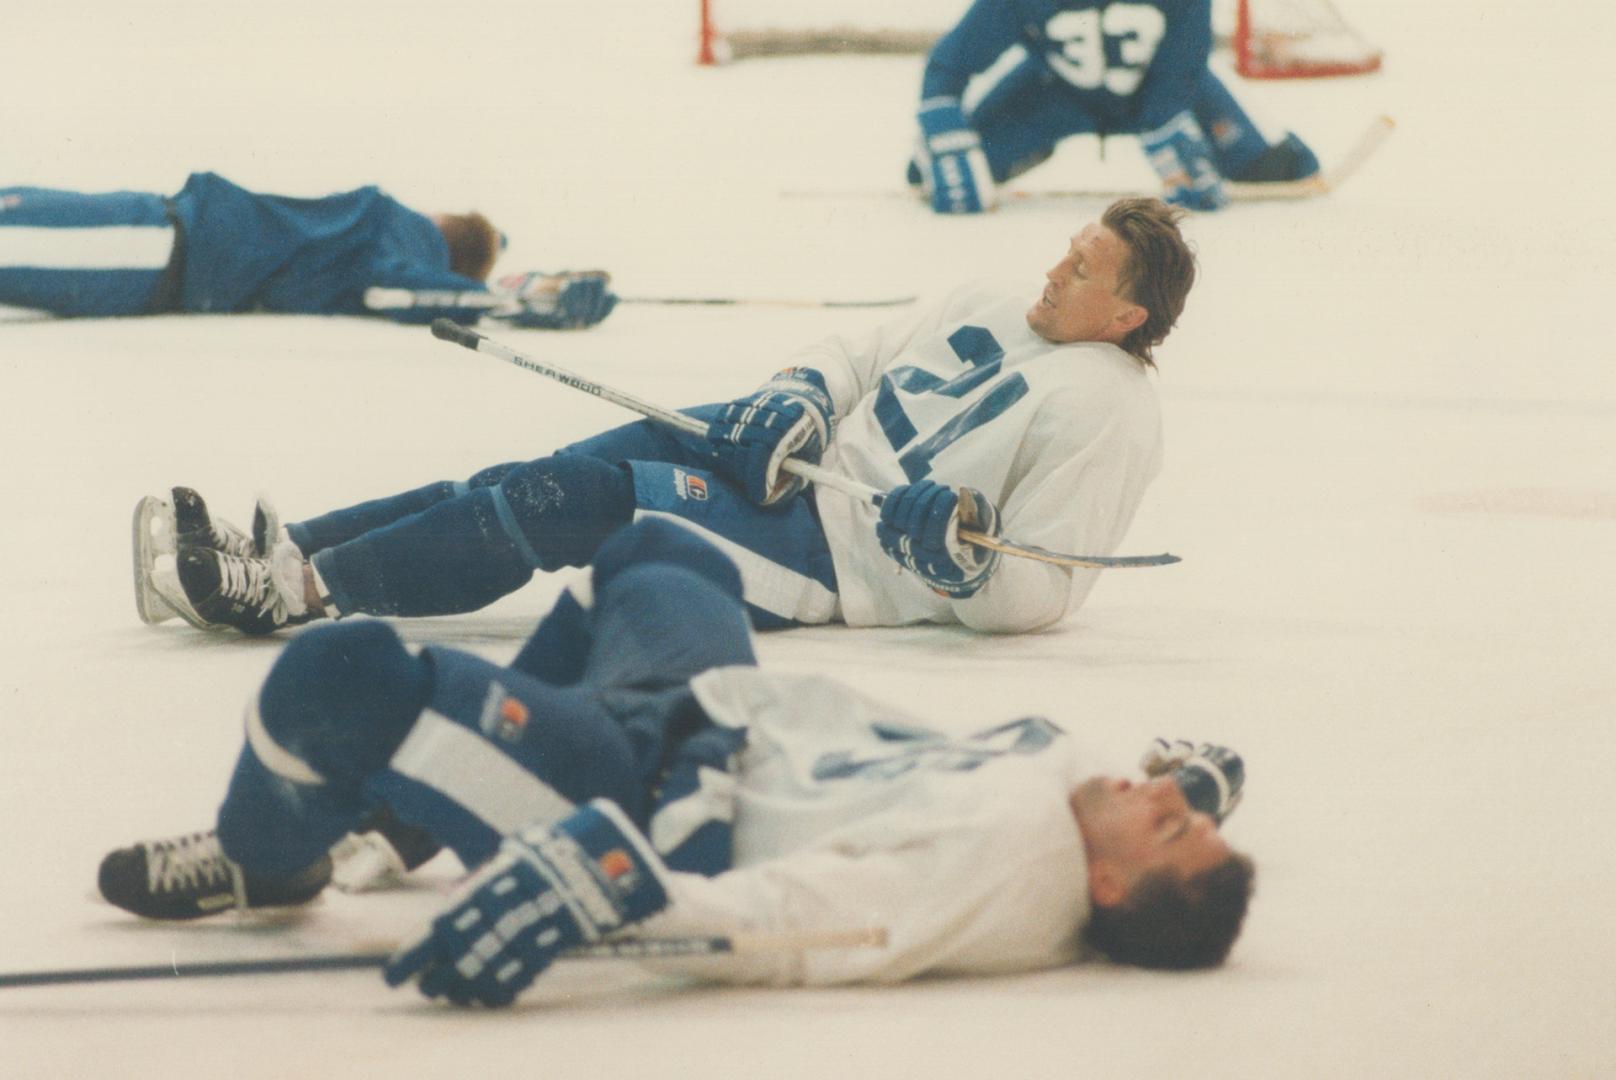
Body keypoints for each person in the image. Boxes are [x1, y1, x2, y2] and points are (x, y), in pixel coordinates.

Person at [98, 519, 1254, 1005]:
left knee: (335, 678)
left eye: (1165, 823)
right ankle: (410, 810)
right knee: (654, 550)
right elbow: (1161, 791)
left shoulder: (1000, 881)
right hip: (705, 709)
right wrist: (1197, 789)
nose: (1156, 795)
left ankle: (267, 862)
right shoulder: (1086, 796)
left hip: (639, 797)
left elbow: (788, 922)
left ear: (1103, 888)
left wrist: (603, 886)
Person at [137, 197, 1194, 638]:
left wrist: (959, 562)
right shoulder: (988, 304)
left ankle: (299, 596)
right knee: (526, 472)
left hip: (826, 555)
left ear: (1128, 312)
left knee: (566, 503)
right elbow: (856, 350)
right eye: (1068, 246)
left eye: (1084, 266)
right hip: (771, 452)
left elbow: (1040, 592)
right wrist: (797, 393)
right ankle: (291, 550)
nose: (1055, 267)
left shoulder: (1107, 410)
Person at [0, 171, 617, 327]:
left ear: (441, 223)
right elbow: (395, 289)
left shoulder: (383, 227)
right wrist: (503, 300)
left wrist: (495, 295)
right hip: (160, 253)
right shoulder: (391, 235)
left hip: (162, 230)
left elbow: (395, 287)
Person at [910, 0, 1321, 214]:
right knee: (935, 173)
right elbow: (953, 60)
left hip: (1158, 87)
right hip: (1056, 93)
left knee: (1275, 172)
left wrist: (1165, 117)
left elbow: (1187, 53)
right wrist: (945, 126)